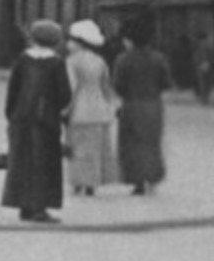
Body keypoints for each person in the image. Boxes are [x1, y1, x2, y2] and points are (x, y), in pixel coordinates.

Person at [2, 18, 71, 224]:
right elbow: (64, 94)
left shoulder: (22, 60)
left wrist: (12, 114)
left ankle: (24, 205)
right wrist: (57, 111)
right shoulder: (56, 63)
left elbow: (12, 89)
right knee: (43, 163)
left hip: (21, 119)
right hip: (45, 120)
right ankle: (39, 207)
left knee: (22, 162)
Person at [113, 14, 170, 195]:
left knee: (131, 145)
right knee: (152, 143)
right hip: (154, 106)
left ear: (129, 39)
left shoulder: (122, 59)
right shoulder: (158, 58)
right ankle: (153, 177)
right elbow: (166, 83)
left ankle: (137, 181)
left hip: (131, 105)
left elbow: (118, 85)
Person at [63, 19, 117, 198]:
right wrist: (110, 107)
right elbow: (107, 87)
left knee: (78, 148)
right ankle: (92, 183)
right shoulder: (100, 61)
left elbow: (71, 87)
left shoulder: (71, 61)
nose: (68, 43)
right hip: (99, 109)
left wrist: (64, 109)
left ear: (79, 42)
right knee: (95, 149)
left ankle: (79, 182)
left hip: (79, 110)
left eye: (71, 40)